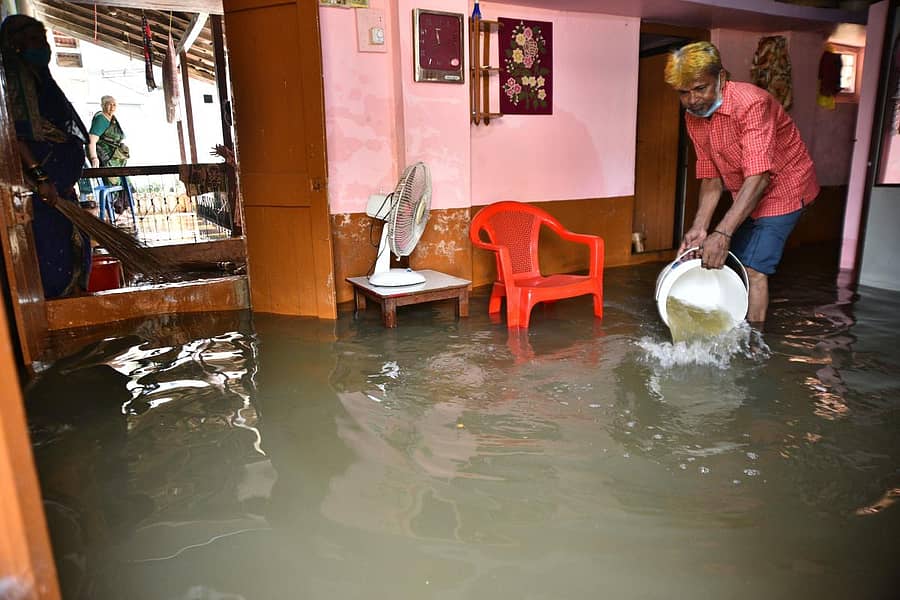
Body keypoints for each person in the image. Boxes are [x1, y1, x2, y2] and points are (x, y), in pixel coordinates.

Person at [664, 41, 819, 326]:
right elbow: (711, 175)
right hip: (747, 190)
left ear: (721, 77)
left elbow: (760, 176)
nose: (693, 100)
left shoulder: (752, 104)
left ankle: (753, 345)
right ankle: (728, 323)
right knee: (730, 258)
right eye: (683, 93)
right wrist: (700, 227)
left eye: (700, 88)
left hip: (784, 187)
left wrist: (721, 234)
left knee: (752, 267)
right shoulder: (693, 117)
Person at [1, 15, 91, 298]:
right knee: (54, 262)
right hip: (42, 195)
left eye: (44, 40)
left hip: (61, 191)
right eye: (34, 41)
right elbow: (15, 136)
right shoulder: (15, 84)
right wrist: (41, 178)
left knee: (78, 251)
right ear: (14, 46)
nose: (44, 47)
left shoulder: (44, 83)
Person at [87, 94, 128, 189]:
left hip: (114, 157)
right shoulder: (101, 118)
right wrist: (94, 158)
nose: (112, 107)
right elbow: (91, 140)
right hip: (104, 158)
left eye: (114, 105)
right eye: (109, 104)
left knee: (124, 182)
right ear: (103, 105)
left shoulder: (112, 118)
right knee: (113, 182)